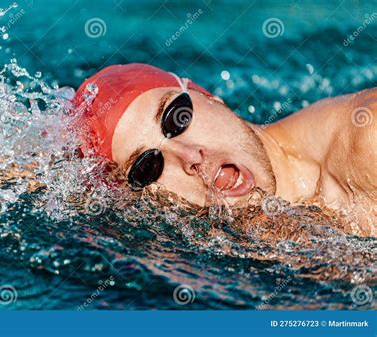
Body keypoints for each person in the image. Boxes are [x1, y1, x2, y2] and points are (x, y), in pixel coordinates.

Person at [72, 63, 376, 237]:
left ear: (210, 98)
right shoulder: (212, 248)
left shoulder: (366, 140)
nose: (189, 156)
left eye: (177, 117)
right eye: (146, 167)